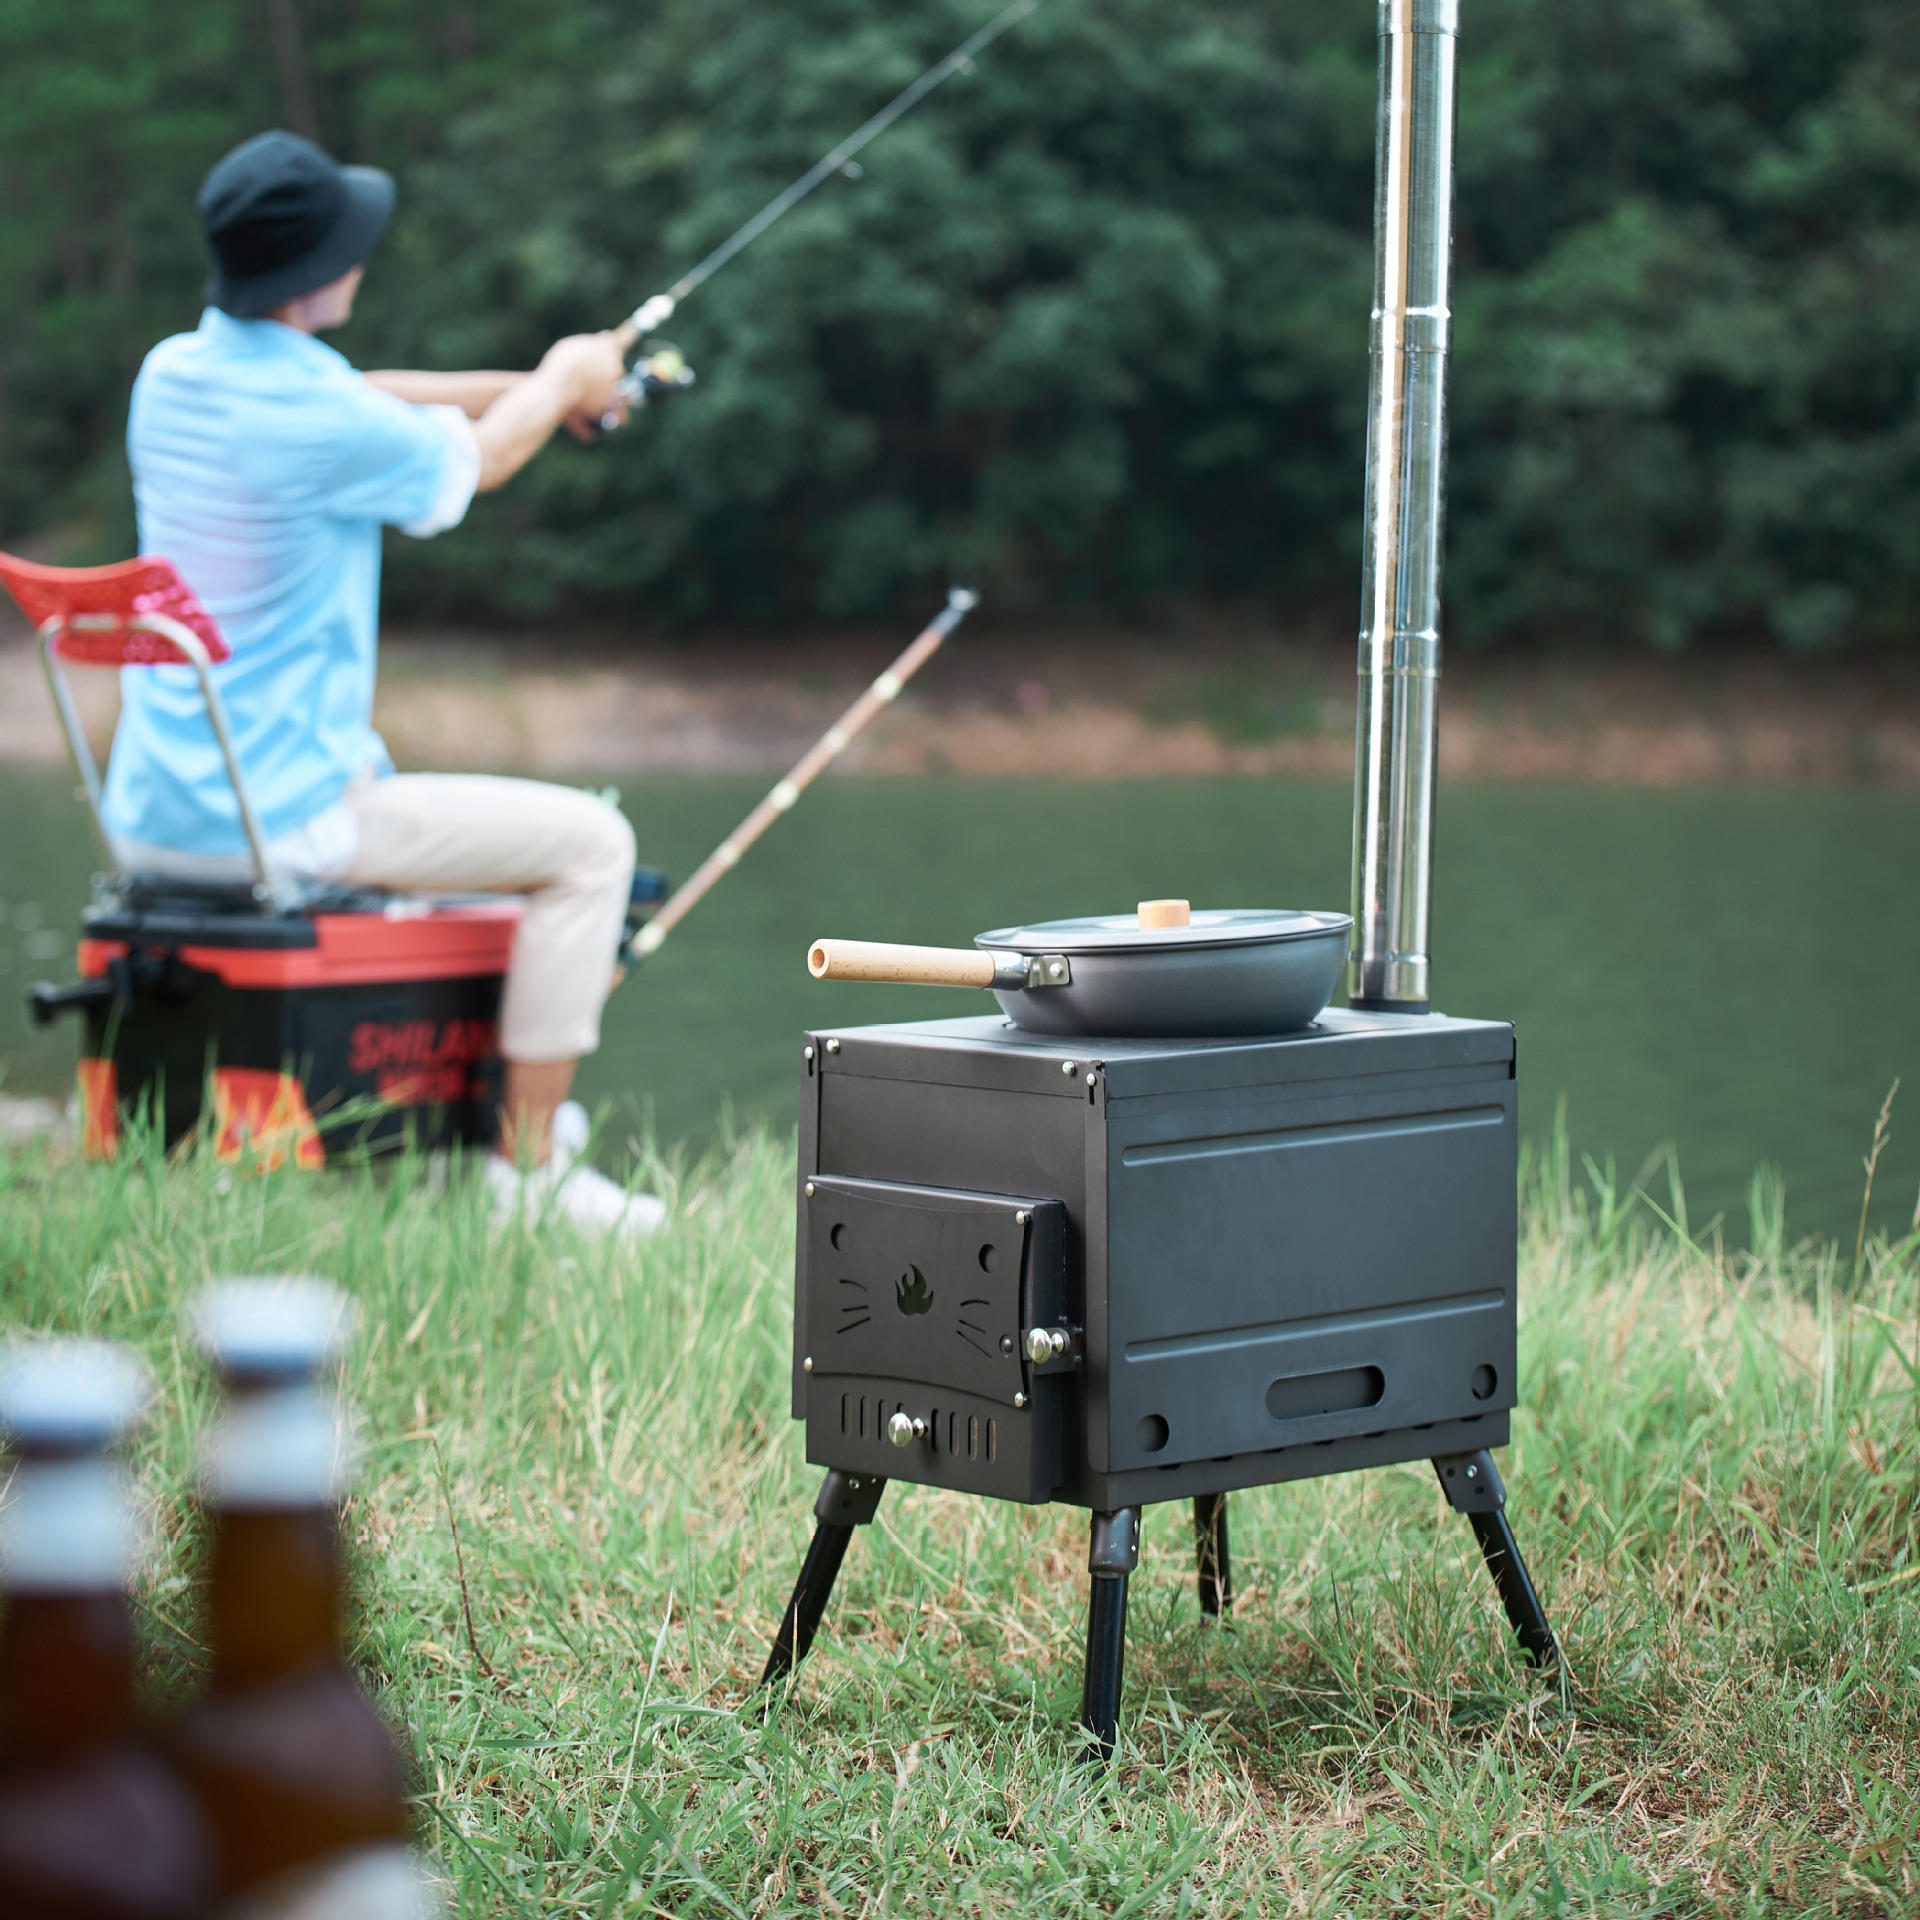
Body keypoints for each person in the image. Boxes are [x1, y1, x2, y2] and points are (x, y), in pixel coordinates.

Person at [101, 130, 661, 1239]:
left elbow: (361, 397)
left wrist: (539, 389)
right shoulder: (324, 424)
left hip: (151, 816)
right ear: (323, 272)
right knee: (593, 847)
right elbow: (476, 464)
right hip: (278, 822)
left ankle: (440, 1115)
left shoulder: (171, 375)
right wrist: (559, 379)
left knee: (441, 817)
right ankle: (528, 1172)